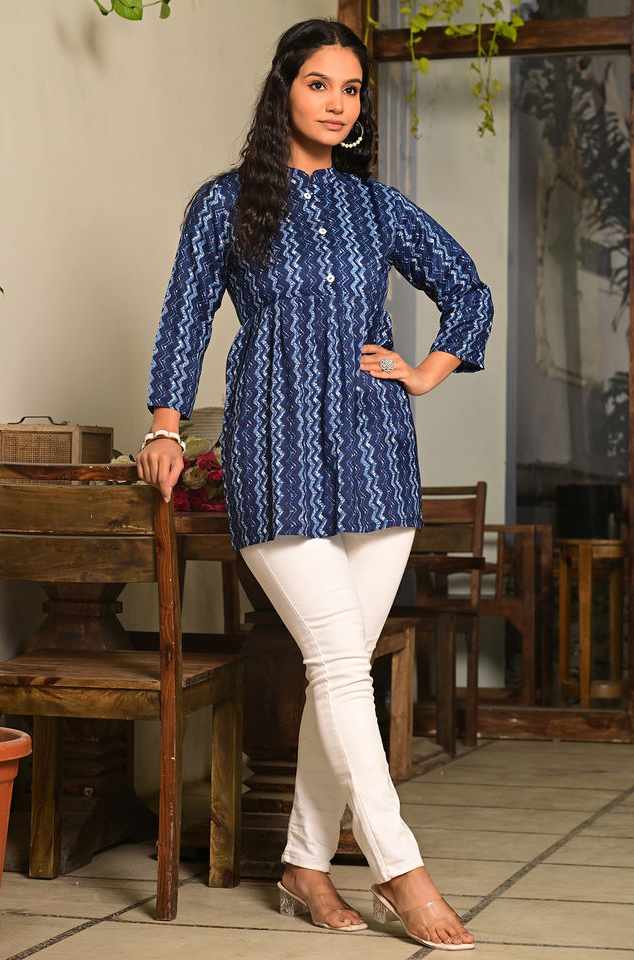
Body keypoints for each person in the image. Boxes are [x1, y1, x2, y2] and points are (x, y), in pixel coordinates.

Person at [137, 17, 493, 951]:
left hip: (379, 456)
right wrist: (165, 426)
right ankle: (401, 871)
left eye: (351, 90)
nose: (337, 104)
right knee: (339, 665)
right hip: (275, 448)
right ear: (283, 90)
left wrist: (425, 371)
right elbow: (185, 315)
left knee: (341, 667)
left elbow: (469, 290)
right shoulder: (225, 203)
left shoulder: (377, 207)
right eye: (318, 85)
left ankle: (303, 863)